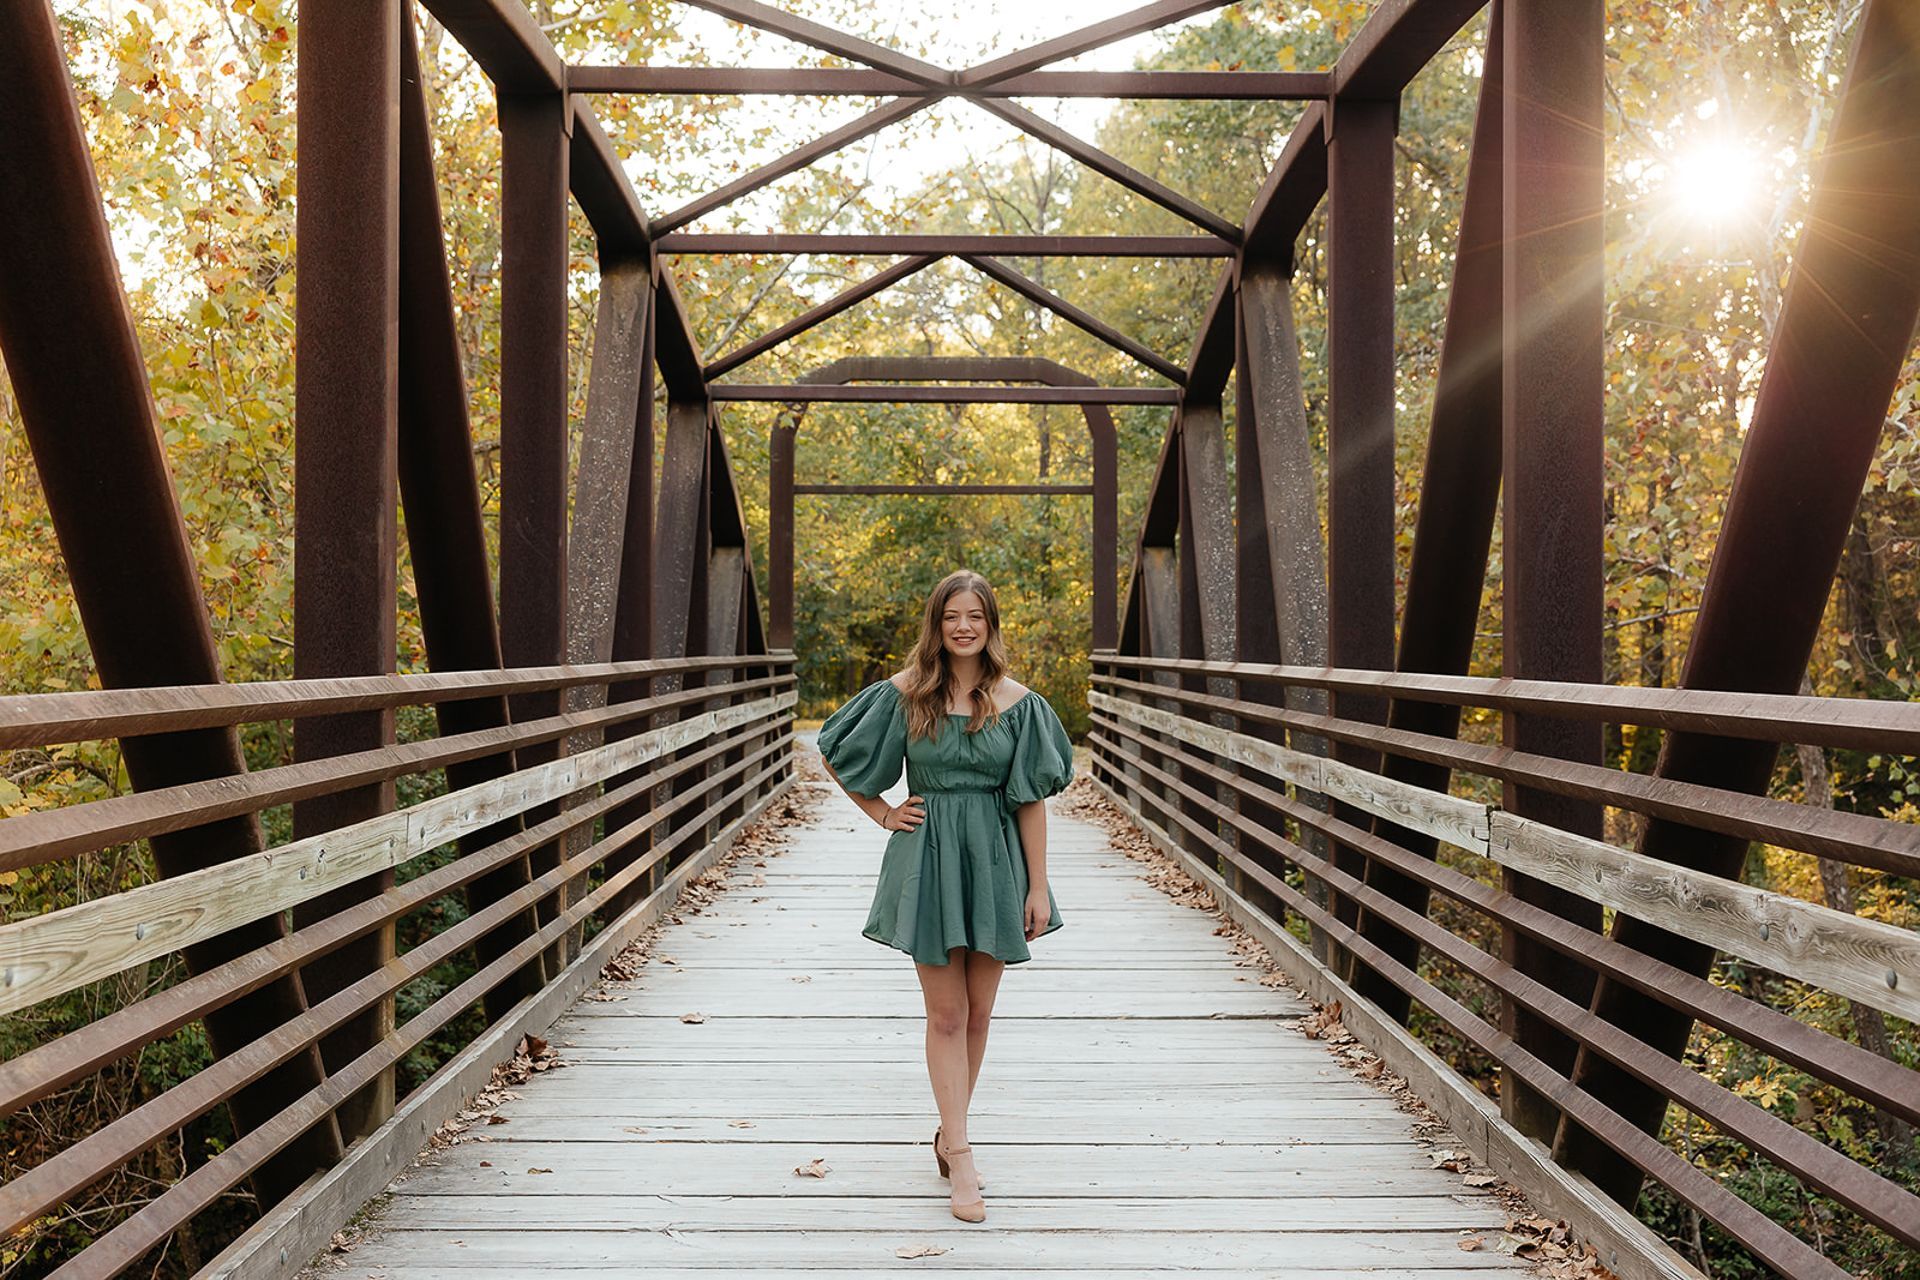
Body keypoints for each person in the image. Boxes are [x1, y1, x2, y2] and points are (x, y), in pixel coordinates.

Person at [814, 569, 1074, 1224]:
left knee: (981, 1014)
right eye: (952, 616)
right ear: (938, 624)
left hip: (994, 861)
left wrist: (1038, 887)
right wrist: (880, 812)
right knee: (947, 1015)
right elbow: (834, 749)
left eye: (975, 617)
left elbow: (1032, 802)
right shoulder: (905, 695)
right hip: (926, 859)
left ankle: (945, 1131)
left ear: (990, 627)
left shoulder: (1019, 703)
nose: (963, 627)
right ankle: (961, 1155)